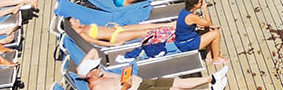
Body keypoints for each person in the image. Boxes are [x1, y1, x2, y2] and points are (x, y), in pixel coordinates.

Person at [74, 48, 225, 89]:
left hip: (141, 84)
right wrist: (125, 86)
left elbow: (93, 52)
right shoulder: (97, 87)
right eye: (96, 66)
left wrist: (81, 70)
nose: (99, 66)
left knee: (175, 82)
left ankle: (211, 79)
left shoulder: (99, 74)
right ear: (90, 74)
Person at [175, 0, 228, 67]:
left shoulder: (185, 11)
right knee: (216, 33)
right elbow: (208, 22)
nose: (202, 3)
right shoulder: (191, 16)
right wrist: (205, 8)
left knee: (209, 29)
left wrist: (210, 27)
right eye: (201, 2)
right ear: (195, 5)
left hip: (184, 40)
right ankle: (216, 58)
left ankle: (208, 56)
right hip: (186, 44)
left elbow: (193, 25)